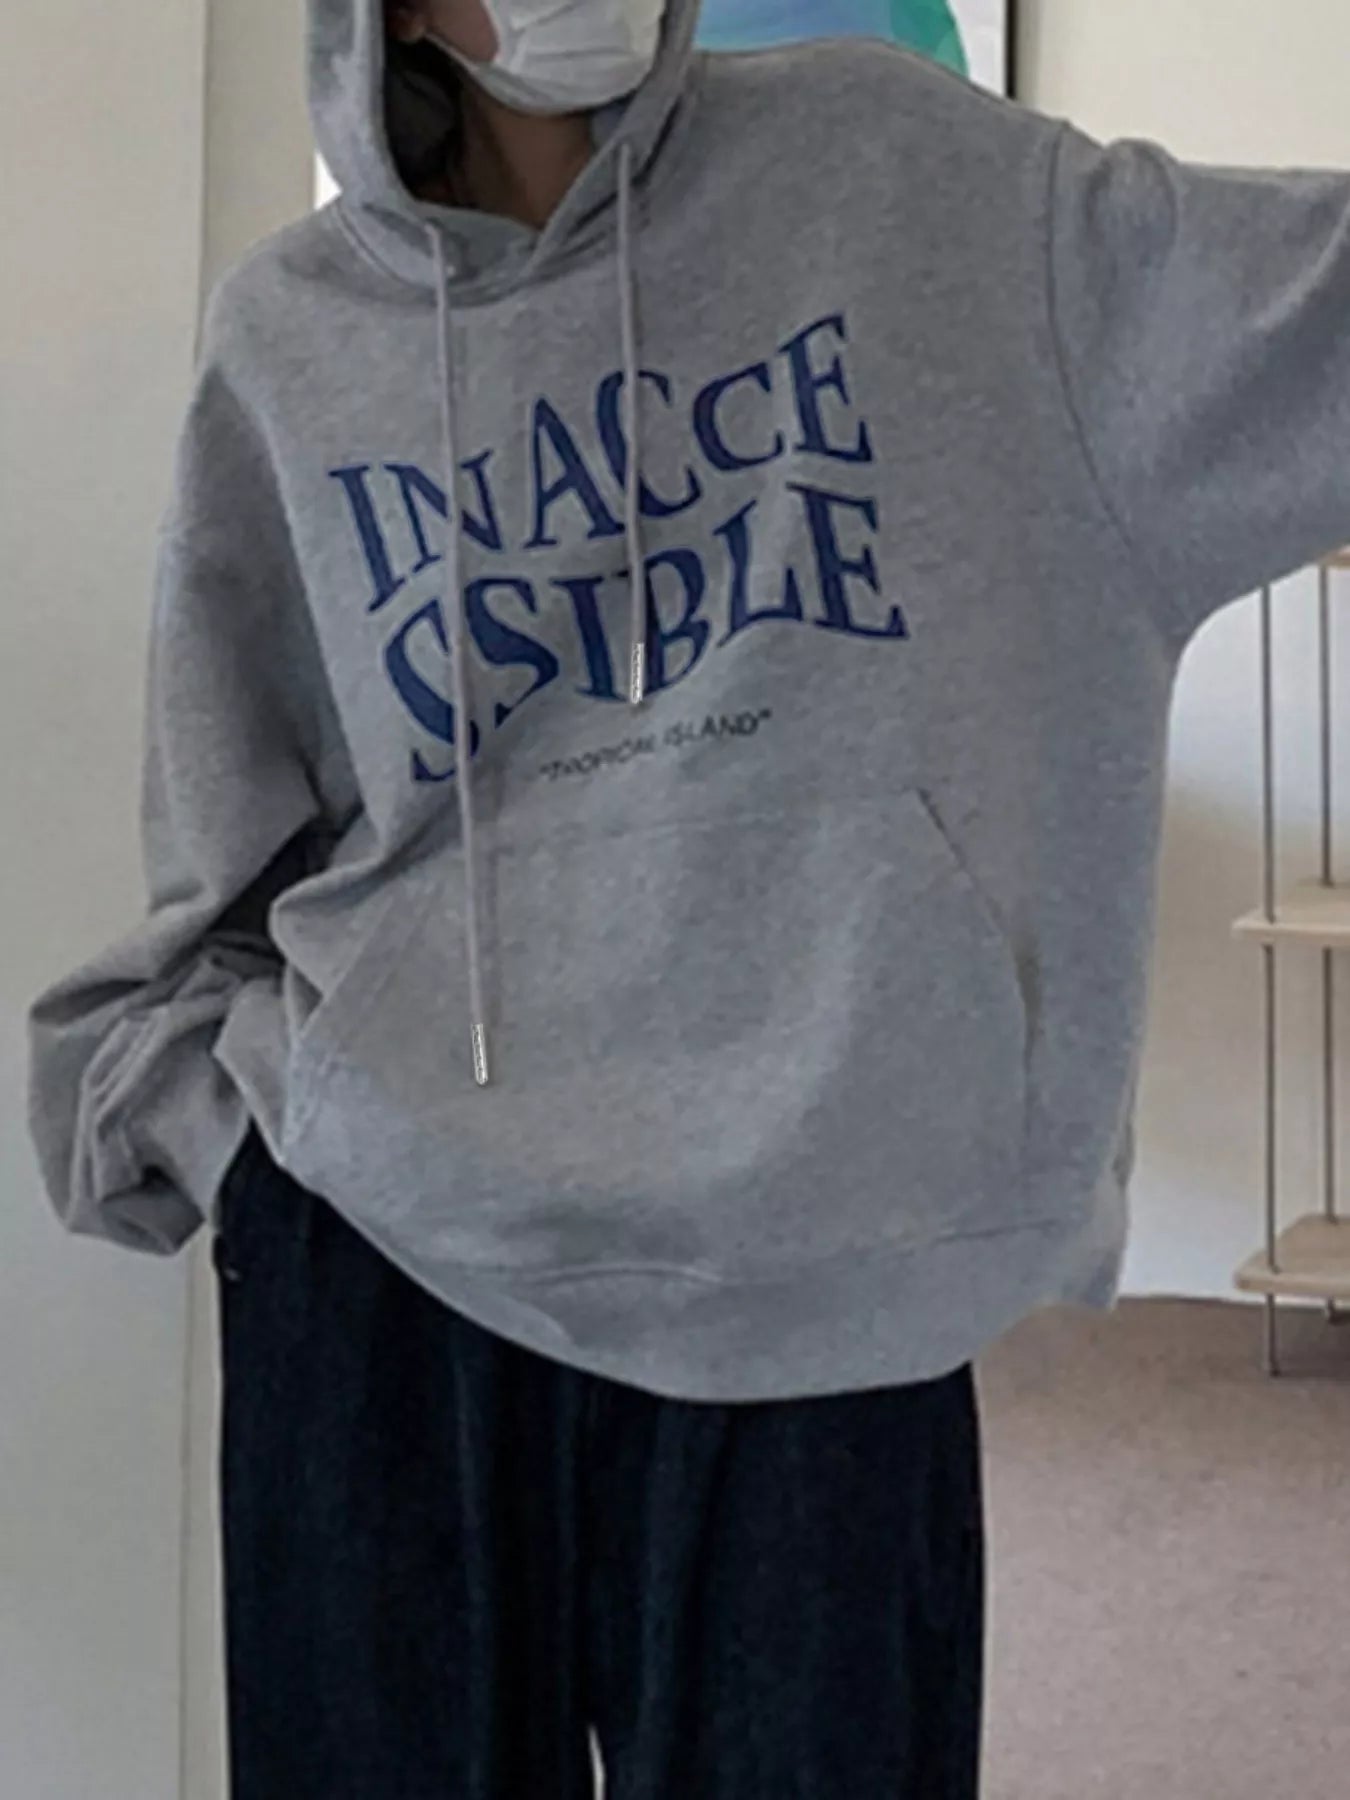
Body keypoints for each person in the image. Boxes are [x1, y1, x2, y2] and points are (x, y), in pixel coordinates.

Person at [25, 0, 1350, 1792]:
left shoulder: (916, 180)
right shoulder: (290, 338)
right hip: (391, 1274)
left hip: (819, 1264)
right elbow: (226, 842)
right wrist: (237, 1134)